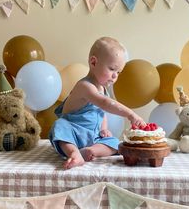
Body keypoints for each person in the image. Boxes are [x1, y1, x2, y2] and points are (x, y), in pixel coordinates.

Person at [49, 36, 145, 169]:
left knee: (117, 144)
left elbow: (101, 111)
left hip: (92, 136)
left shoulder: (103, 89)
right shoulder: (85, 86)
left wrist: (104, 128)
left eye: (118, 72)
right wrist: (130, 114)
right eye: (112, 69)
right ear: (93, 63)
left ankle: (91, 151)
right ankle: (74, 153)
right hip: (73, 133)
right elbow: (105, 103)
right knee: (59, 127)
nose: (115, 76)